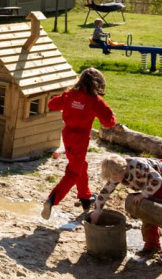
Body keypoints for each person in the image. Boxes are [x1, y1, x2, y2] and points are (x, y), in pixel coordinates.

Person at [42, 68, 119, 220]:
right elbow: (109, 121)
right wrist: (113, 117)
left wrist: (69, 101)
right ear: (96, 84)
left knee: (81, 166)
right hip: (80, 141)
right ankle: (51, 200)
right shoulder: (95, 101)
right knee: (73, 173)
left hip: (68, 138)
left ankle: (85, 197)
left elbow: (52, 104)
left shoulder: (69, 95)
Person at [91, 154, 162, 257]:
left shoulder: (138, 166)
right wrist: (97, 211)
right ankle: (152, 245)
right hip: (149, 185)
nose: (114, 179)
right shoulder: (116, 173)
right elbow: (105, 192)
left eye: (115, 176)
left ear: (123, 169)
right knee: (147, 213)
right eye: (112, 177)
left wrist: (143, 194)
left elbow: (158, 180)